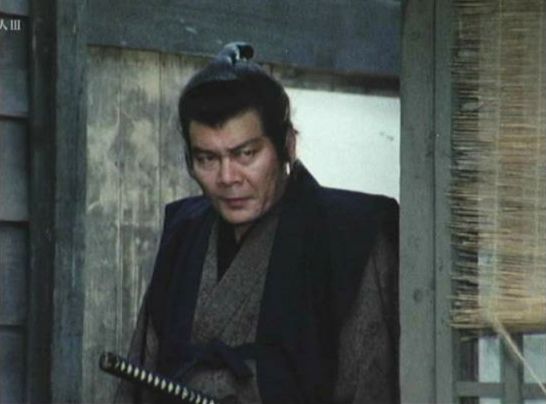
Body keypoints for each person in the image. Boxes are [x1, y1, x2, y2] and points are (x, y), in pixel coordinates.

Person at [115, 42, 399, 404]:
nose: (227, 177)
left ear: (287, 146)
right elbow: (141, 381)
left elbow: (372, 384)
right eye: (207, 159)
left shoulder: (350, 235)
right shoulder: (184, 233)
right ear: (189, 160)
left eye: (246, 154)